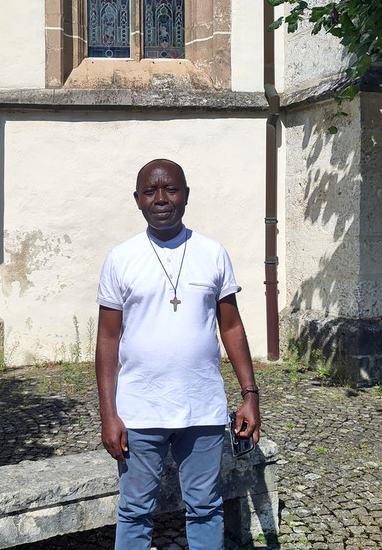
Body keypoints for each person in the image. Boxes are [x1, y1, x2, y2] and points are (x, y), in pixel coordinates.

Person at [95, 158, 261, 550]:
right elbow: (106, 340)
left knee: (205, 507)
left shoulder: (212, 252)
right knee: (135, 509)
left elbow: (232, 327)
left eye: (170, 188)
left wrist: (250, 395)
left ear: (185, 195)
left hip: (201, 407)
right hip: (139, 409)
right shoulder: (121, 258)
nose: (160, 198)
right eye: (150, 191)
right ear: (137, 200)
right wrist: (108, 414)